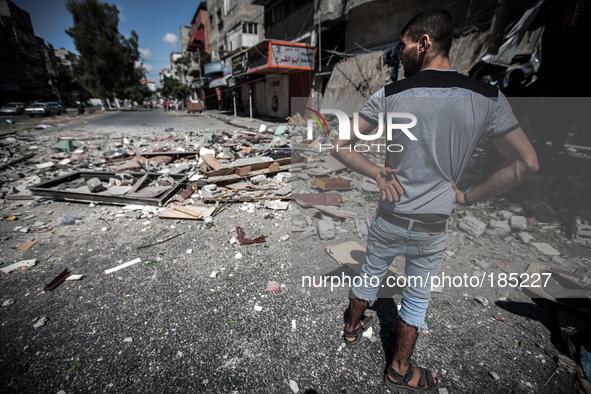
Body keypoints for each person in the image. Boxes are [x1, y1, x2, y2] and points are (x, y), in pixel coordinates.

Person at [330, 8, 539, 392]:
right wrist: (471, 196)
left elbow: (339, 146)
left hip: (390, 215)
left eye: (404, 45)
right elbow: (527, 162)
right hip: (432, 225)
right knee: (415, 297)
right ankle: (400, 369)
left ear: (424, 43)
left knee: (371, 273)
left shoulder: (390, 94)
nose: (400, 54)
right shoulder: (486, 96)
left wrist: (377, 173)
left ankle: (351, 327)